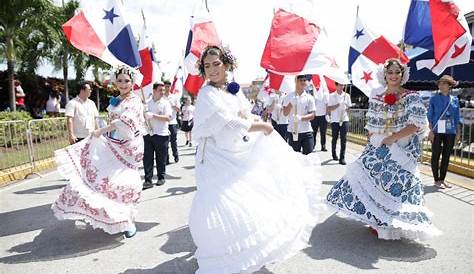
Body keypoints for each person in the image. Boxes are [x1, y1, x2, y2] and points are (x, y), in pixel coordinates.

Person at [189, 45, 322, 274]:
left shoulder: (232, 89)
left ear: (227, 65)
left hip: (235, 149)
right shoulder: (207, 93)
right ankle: (221, 256)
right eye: (207, 66)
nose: (211, 70)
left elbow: (244, 112)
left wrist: (257, 122)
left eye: (216, 64)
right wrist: (262, 126)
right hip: (214, 157)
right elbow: (229, 121)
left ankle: (242, 253)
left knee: (248, 198)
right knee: (220, 203)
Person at [326, 58, 441, 240]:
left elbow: (415, 125)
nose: (394, 76)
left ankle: (393, 222)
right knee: (375, 183)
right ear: (384, 75)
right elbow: (372, 125)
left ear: (403, 75)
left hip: (402, 149)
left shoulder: (411, 96)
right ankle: (379, 220)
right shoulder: (377, 95)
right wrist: (374, 139)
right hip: (380, 147)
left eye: (397, 72)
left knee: (398, 187)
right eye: (390, 72)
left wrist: (393, 138)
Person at [52, 66, 146, 238]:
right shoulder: (117, 99)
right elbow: (112, 119)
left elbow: (124, 122)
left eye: (126, 81)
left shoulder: (134, 101)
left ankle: (127, 221)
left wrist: (101, 131)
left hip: (128, 148)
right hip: (113, 143)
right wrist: (103, 132)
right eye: (119, 81)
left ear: (132, 82)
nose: (123, 84)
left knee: (123, 182)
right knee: (103, 179)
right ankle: (114, 217)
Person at [427, 75, 461, 189]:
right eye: (440, 83)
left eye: (444, 83)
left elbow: (457, 117)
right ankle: (436, 180)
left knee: (446, 156)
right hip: (436, 130)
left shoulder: (455, 99)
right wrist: (430, 131)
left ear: (449, 86)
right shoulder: (434, 99)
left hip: (450, 130)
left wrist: (458, 133)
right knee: (435, 154)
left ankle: (442, 179)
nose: (441, 85)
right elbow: (430, 116)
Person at [142, 82, 172, 190]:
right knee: (147, 158)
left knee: (161, 158)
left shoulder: (165, 103)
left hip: (161, 134)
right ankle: (148, 180)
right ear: (154, 91)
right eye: (160, 90)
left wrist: (153, 115)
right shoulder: (147, 103)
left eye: (163, 90)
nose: (162, 92)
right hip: (148, 134)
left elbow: (168, 118)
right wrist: (144, 115)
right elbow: (142, 117)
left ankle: (161, 177)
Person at [282, 75, 316, 155]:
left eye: (304, 80)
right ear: (296, 81)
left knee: (309, 156)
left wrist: (301, 118)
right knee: (294, 158)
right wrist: (291, 104)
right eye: (301, 80)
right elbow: (285, 113)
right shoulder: (288, 97)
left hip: (306, 131)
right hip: (293, 131)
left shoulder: (309, 97)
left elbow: (312, 115)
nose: (303, 82)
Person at [327, 82, 351, 165]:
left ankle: (342, 158)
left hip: (344, 120)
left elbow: (349, 108)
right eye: (340, 85)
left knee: (343, 139)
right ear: (336, 85)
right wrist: (338, 105)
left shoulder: (347, 96)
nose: (342, 86)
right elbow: (329, 108)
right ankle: (334, 154)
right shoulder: (331, 96)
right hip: (335, 120)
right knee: (335, 138)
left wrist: (346, 107)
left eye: (343, 85)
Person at [164, 81, 181, 163]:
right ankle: (166, 158)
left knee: (173, 141)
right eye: (165, 86)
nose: (167, 88)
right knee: (165, 142)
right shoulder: (161, 97)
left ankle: (176, 155)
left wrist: (173, 105)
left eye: (168, 86)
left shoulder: (174, 97)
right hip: (163, 123)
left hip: (172, 122)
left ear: (170, 87)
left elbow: (179, 109)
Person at [311, 83, 329, 151]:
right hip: (315, 116)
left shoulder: (325, 95)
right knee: (313, 132)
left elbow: (327, 105)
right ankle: (313, 145)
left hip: (323, 116)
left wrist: (327, 114)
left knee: (323, 132)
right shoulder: (313, 95)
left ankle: (323, 146)